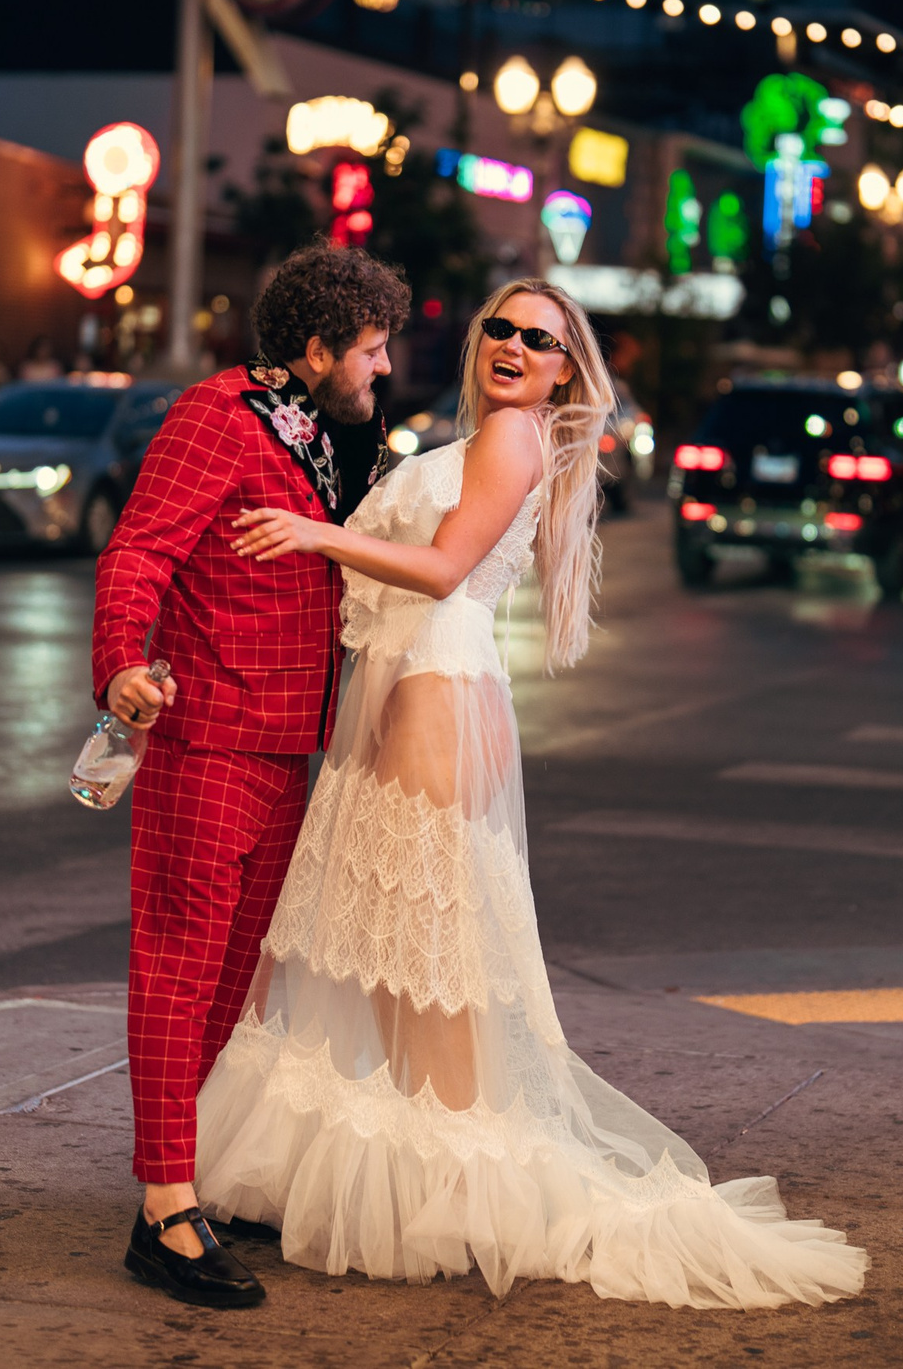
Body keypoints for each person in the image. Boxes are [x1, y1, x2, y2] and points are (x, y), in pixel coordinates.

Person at [204, 279, 869, 1310]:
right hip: (404, 694)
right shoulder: (470, 440)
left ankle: (452, 1183)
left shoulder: (515, 439)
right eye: (502, 330)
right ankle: (382, 1174)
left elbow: (441, 567)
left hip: (435, 693)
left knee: (427, 964)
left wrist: (313, 533)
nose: (514, 347)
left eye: (541, 340)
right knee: (377, 955)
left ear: (565, 369)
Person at [91, 241, 414, 1310]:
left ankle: (192, 1177)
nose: (382, 368)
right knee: (179, 969)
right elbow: (139, 551)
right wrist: (123, 665)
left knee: (233, 983)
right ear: (315, 347)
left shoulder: (328, 431)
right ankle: (163, 1212)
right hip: (208, 733)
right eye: (369, 350)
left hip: (288, 739)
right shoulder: (214, 416)